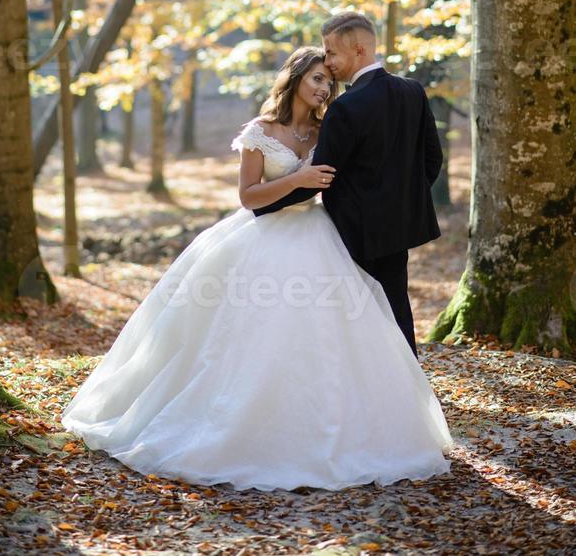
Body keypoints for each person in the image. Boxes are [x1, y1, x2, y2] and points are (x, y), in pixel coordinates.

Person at [62, 46, 452, 492]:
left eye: (329, 81)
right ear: (296, 78)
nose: (325, 88)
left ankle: (328, 426)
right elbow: (249, 196)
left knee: (329, 335)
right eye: (317, 79)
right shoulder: (260, 131)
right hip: (261, 239)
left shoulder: (331, 126)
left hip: (322, 235)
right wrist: (297, 180)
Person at [254, 12, 444, 357]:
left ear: (358, 50)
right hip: (400, 227)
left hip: (353, 232)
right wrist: (401, 200)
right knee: (395, 307)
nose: (328, 62)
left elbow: (320, 177)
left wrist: (262, 206)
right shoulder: (412, 91)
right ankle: (407, 386)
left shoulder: (345, 108)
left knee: (359, 316)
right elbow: (432, 160)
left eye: (331, 53)